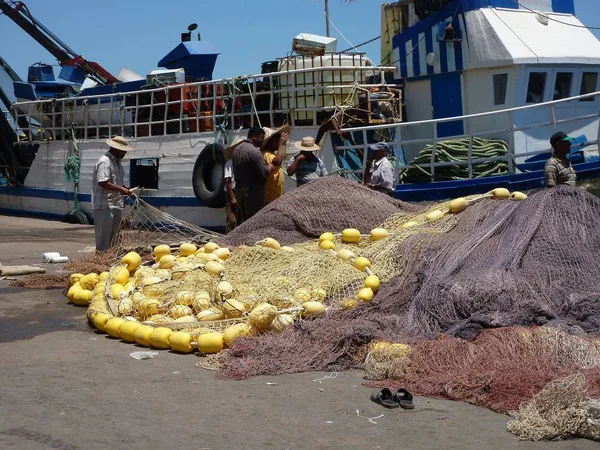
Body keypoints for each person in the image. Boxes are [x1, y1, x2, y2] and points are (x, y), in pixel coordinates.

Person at [92, 136, 135, 251]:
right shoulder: (104, 161)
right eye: (124, 150)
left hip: (116, 204)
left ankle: (111, 258)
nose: (125, 153)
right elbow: (103, 182)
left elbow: (117, 183)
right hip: (104, 205)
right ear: (116, 149)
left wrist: (127, 189)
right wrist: (122, 190)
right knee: (103, 238)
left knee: (115, 237)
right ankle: (101, 260)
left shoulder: (118, 163)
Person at [232, 126, 276, 222]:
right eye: (261, 138)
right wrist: (271, 166)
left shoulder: (237, 149)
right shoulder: (254, 152)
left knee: (243, 220)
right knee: (254, 221)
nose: (262, 141)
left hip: (239, 191)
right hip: (253, 193)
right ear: (254, 136)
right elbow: (263, 172)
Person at [261, 125, 289, 204]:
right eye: (276, 141)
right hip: (270, 199)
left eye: (278, 140)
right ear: (269, 141)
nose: (277, 143)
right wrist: (281, 144)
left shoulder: (271, 154)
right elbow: (278, 161)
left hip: (275, 198)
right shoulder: (266, 154)